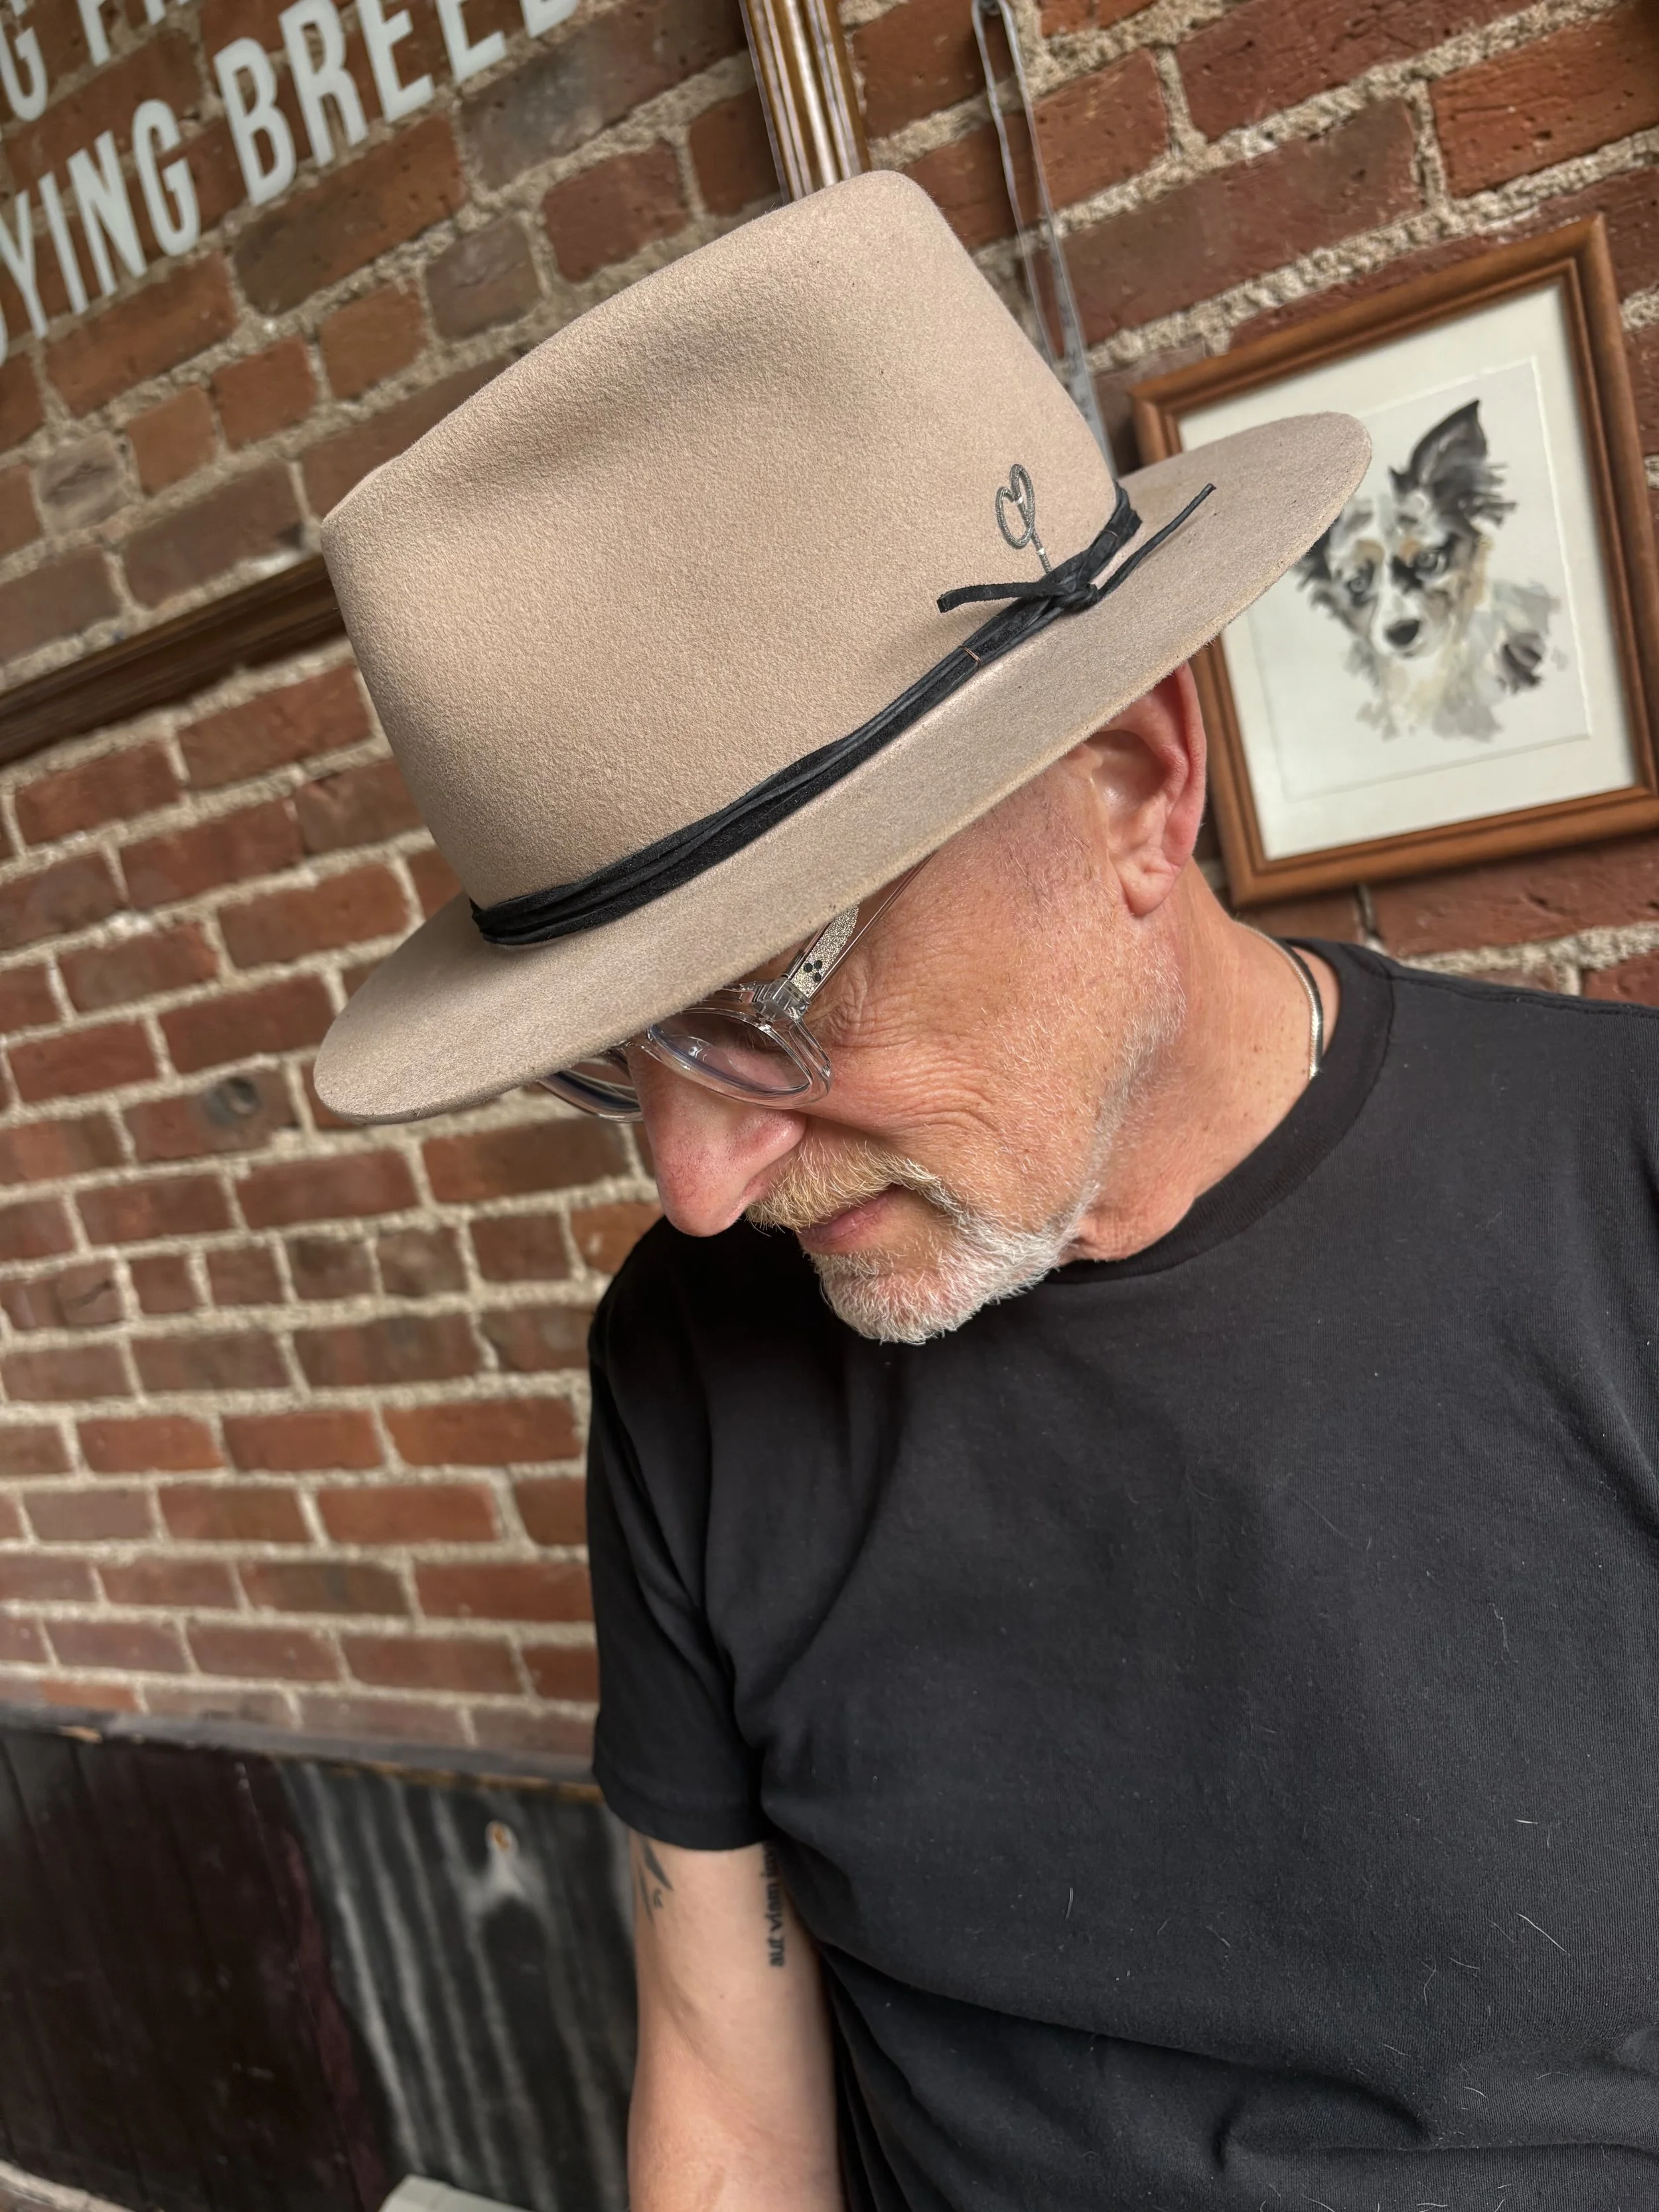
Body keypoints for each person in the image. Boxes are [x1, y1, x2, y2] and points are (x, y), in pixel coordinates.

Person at [315, 175, 1659, 2209]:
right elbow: (720, 2051)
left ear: (1130, 787)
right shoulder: (693, 1366)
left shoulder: (1618, 1200)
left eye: (768, 993)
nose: (690, 1186)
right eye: (622, 1053)